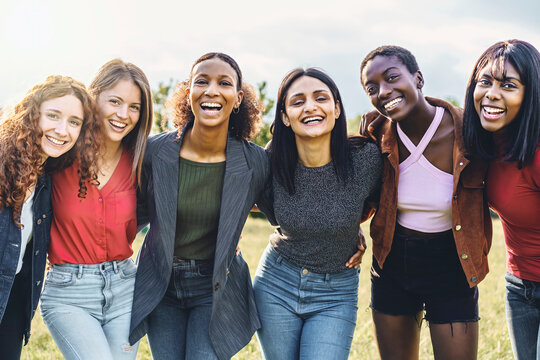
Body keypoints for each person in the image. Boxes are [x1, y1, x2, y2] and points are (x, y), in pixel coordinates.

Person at [129, 52, 270, 360]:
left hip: (214, 288)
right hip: (161, 285)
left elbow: (284, 211)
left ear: (237, 98)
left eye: (224, 83)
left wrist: (346, 231)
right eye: (201, 81)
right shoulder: (155, 152)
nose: (212, 90)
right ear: (188, 92)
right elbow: (126, 213)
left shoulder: (255, 161)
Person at [359, 45, 492, 360]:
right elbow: (354, 191)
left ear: (418, 78)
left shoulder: (470, 132)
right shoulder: (375, 133)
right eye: (372, 88)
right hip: (393, 261)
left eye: (392, 78)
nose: (384, 91)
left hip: (453, 263)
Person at [253, 68, 382, 360]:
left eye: (320, 98)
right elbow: (257, 207)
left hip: (335, 292)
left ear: (336, 109)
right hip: (276, 283)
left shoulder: (365, 159)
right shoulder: (273, 160)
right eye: (297, 101)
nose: (310, 107)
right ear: (285, 116)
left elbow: (376, 204)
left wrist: (353, 231)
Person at [40, 59, 153, 360]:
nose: (123, 115)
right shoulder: (60, 154)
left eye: (134, 107)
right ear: (94, 99)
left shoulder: (142, 162)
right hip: (68, 293)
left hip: (125, 289)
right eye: (114, 102)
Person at [0, 75, 99, 359]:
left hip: (12, 302)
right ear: (33, 115)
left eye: (74, 122)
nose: (62, 129)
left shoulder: (46, 178)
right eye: (53, 116)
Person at [463, 39, 540, 360]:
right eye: (485, 82)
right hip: (519, 287)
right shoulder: (485, 143)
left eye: (508, 85)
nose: (492, 93)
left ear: (530, 94)